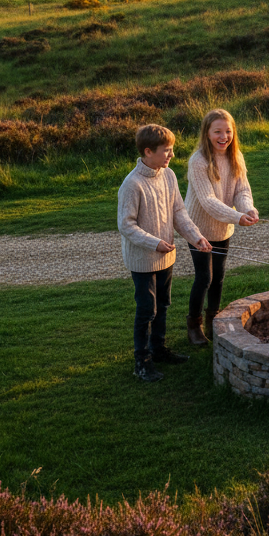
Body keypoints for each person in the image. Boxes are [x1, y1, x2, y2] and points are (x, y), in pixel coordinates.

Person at [117, 124, 212, 382]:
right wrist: (155, 243)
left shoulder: (168, 176)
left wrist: (196, 237)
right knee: (147, 309)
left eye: (172, 149)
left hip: (165, 257)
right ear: (148, 152)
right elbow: (126, 225)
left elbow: (179, 213)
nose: (171, 155)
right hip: (144, 259)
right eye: (166, 150)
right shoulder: (132, 184)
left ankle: (158, 350)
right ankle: (142, 361)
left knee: (164, 305)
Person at [184, 108, 259, 346]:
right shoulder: (198, 162)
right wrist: (237, 217)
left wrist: (247, 209)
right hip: (197, 228)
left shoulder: (235, 156)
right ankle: (194, 326)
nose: (223, 136)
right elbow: (207, 201)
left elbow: (242, 190)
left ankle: (214, 320)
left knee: (218, 278)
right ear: (207, 133)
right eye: (217, 131)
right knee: (204, 277)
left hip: (223, 227)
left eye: (228, 131)